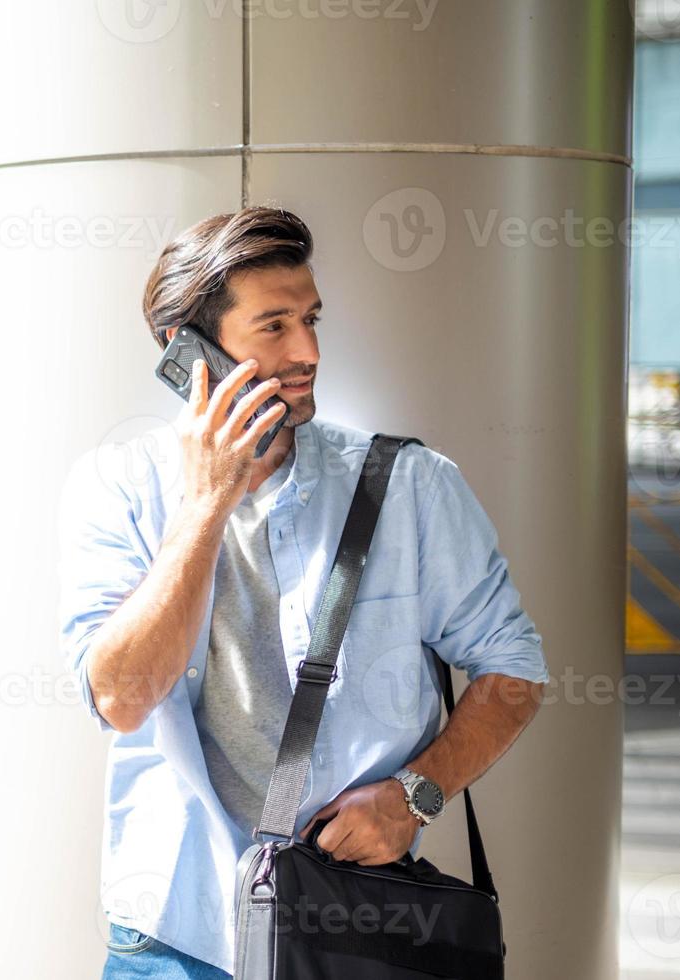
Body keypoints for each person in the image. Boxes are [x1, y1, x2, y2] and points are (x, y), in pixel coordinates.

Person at [58, 206, 550, 979]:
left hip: (351, 921)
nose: (307, 351)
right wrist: (204, 506)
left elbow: (514, 667)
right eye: (274, 326)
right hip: (174, 932)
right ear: (185, 349)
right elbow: (121, 696)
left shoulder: (410, 486)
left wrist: (415, 795)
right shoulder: (116, 489)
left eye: (311, 320)